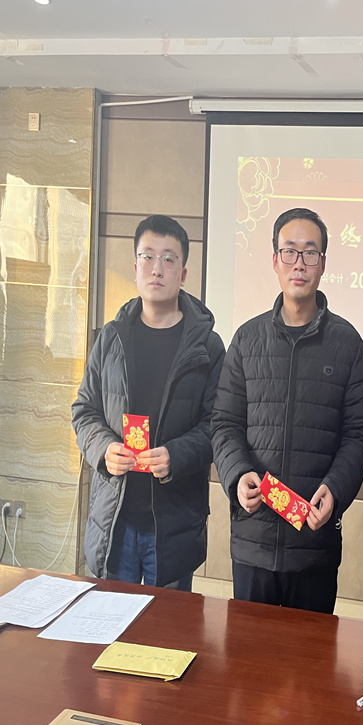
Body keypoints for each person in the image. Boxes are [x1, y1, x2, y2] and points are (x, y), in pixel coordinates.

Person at [211, 207, 363, 614]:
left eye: (310, 252)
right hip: (254, 540)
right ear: (274, 260)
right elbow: (225, 423)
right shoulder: (247, 340)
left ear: (323, 263)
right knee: (250, 650)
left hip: (314, 542)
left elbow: (358, 434)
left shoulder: (348, 343)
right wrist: (237, 475)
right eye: (289, 251)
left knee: (311, 653)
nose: (299, 263)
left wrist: (336, 490)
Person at [72, 214, 224, 590]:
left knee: (168, 625)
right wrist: (103, 449)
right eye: (148, 256)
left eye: (169, 259)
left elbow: (218, 425)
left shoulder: (207, 346)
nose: (157, 268)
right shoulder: (111, 338)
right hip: (115, 517)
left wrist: (176, 455)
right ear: (136, 266)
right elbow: (84, 410)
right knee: (110, 618)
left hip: (174, 522)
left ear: (183, 273)